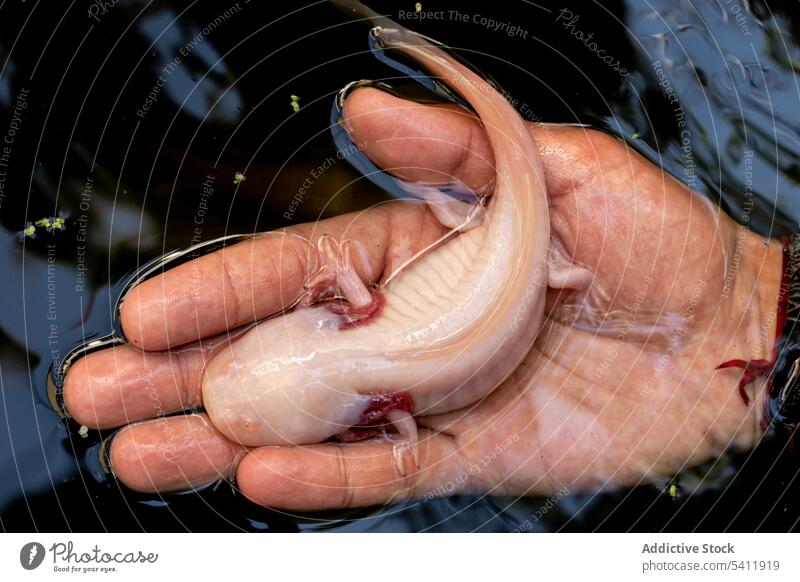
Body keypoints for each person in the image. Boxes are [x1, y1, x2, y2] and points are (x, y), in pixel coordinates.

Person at [63, 87, 783, 511]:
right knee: (490, 233)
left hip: (551, 272)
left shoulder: (390, 407)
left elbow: (406, 436)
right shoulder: (359, 320)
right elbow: (356, 299)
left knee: (528, 259)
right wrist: (758, 312)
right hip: (518, 257)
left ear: (374, 419)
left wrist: (756, 311)